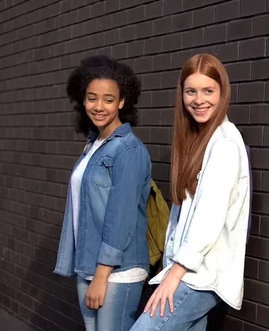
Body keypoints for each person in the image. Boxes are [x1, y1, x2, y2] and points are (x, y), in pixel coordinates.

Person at [130, 53, 251, 331]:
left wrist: (175, 274)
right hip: (189, 272)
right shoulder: (199, 140)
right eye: (191, 91)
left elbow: (209, 217)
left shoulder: (223, 144)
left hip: (197, 277)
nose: (199, 100)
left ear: (223, 93)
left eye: (208, 90)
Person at [54, 55, 152, 331]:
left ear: (122, 102)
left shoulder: (128, 150)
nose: (99, 107)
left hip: (115, 272)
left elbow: (120, 218)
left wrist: (101, 276)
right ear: (82, 99)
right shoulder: (94, 144)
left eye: (108, 99)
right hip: (89, 267)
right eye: (92, 98)